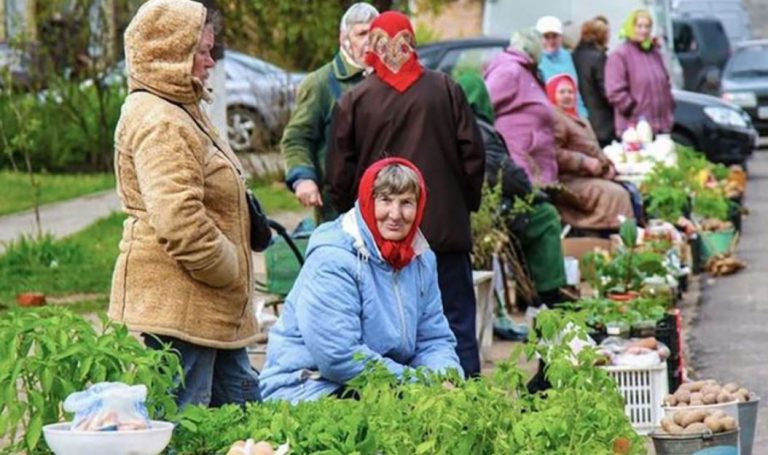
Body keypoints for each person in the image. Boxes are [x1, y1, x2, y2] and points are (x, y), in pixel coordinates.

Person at [109, 0, 260, 408]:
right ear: (171, 52)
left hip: (208, 308)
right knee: (185, 426)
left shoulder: (180, 107)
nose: (211, 61)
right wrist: (227, 266)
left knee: (241, 415)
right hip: (184, 308)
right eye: (203, 51)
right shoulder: (161, 120)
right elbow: (178, 218)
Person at [326, 11, 485, 377]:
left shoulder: (356, 100)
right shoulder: (446, 89)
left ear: (375, 47)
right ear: (411, 43)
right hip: (444, 230)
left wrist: (356, 218)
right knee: (455, 320)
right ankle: (468, 397)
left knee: (391, 326)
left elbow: (338, 174)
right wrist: (463, 207)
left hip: (383, 236)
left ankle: (405, 407)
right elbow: (474, 157)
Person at [259, 159, 463, 403]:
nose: (395, 215)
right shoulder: (335, 258)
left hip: (383, 383)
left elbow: (434, 338)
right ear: (368, 201)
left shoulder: (421, 259)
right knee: (396, 427)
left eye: (407, 203)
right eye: (385, 200)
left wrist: (443, 378)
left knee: (456, 415)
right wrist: (418, 384)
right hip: (310, 386)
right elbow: (338, 356)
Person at [456, 71, 567, 308]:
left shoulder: (454, 124)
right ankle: (548, 294)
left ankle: (532, 294)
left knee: (528, 215)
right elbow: (505, 173)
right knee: (544, 216)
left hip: (467, 209)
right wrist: (533, 194)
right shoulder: (479, 129)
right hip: (485, 212)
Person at [281, 3, 379, 223]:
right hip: (338, 207)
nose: (369, 42)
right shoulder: (321, 83)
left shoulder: (387, 80)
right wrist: (303, 178)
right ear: (344, 38)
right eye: (362, 33)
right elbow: (296, 138)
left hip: (384, 201)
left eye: (375, 34)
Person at [548, 74, 634, 231]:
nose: (567, 96)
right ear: (551, 94)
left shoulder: (578, 118)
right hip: (570, 180)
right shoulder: (555, 118)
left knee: (631, 188)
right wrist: (582, 161)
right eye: (562, 92)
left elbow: (593, 148)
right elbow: (553, 152)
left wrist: (608, 166)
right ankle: (613, 235)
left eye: (570, 92)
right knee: (616, 194)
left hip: (589, 175)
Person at [484, 28, 557, 187]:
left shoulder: (527, 70)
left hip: (533, 161)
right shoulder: (510, 70)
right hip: (520, 157)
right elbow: (485, 105)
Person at [605, 9, 674, 137]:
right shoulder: (620, 55)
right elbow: (614, 91)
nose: (644, 30)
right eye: (639, 26)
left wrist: (669, 106)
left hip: (661, 127)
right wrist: (633, 110)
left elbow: (666, 83)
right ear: (631, 27)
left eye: (647, 26)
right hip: (634, 131)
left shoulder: (655, 54)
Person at [572, 16, 616, 147]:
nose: (609, 37)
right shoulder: (599, 58)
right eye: (606, 34)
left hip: (583, 119)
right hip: (602, 122)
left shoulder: (575, 55)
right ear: (600, 36)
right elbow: (606, 91)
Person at [536, 15, 588, 118]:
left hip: (572, 116)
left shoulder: (566, 56)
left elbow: (575, 90)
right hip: (547, 118)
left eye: (555, 36)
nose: (551, 40)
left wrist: (583, 116)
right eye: (546, 36)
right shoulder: (535, 59)